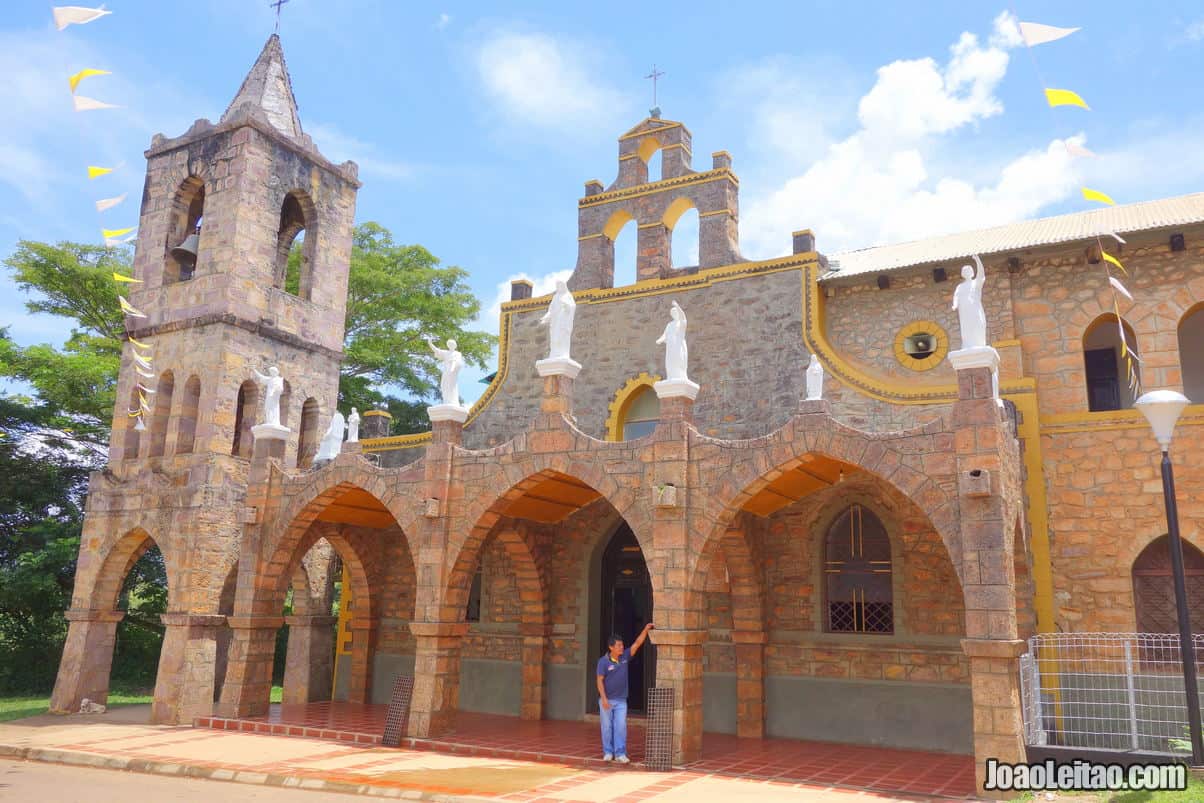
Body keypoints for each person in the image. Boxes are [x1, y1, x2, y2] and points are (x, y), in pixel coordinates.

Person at [596, 622, 654, 764]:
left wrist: (645, 629)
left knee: (620, 726)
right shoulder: (603, 662)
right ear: (611, 647)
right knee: (607, 727)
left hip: (621, 700)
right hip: (607, 700)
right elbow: (599, 681)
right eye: (618, 646)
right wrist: (604, 699)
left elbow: (637, 643)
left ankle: (620, 753)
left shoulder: (624, 657)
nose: (622, 647)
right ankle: (608, 752)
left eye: (622, 645)